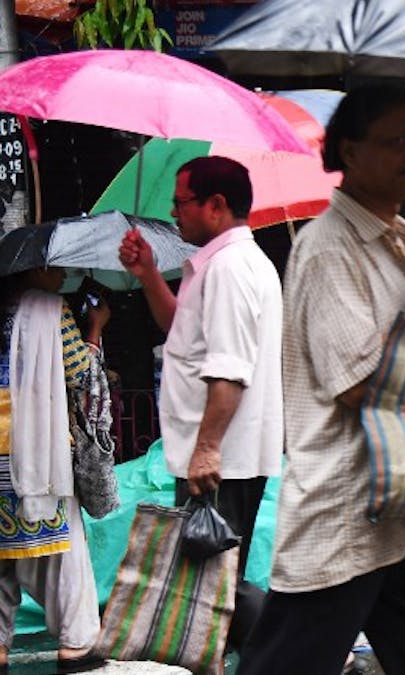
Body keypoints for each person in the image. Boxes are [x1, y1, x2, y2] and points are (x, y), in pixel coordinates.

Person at [236, 86, 405, 675]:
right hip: (345, 511)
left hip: (399, 510)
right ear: (349, 151)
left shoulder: (394, 239)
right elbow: (362, 386)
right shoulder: (329, 250)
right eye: (394, 141)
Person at [118, 156, 283, 649]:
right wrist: (148, 273)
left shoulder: (231, 268)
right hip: (216, 456)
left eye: (181, 202)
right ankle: (289, 650)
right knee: (209, 583)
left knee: (211, 585)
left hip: (219, 460)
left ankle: (295, 651)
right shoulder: (218, 265)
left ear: (216, 205)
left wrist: (207, 448)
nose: (174, 212)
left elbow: (229, 368)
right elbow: (181, 333)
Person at [0, 266, 109, 673]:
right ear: (34, 269)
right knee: (67, 553)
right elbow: (80, 375)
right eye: (54, 265)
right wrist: (94, 331)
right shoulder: (51, 309)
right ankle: (76, 643)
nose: (62, 272)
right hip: (36, 449)